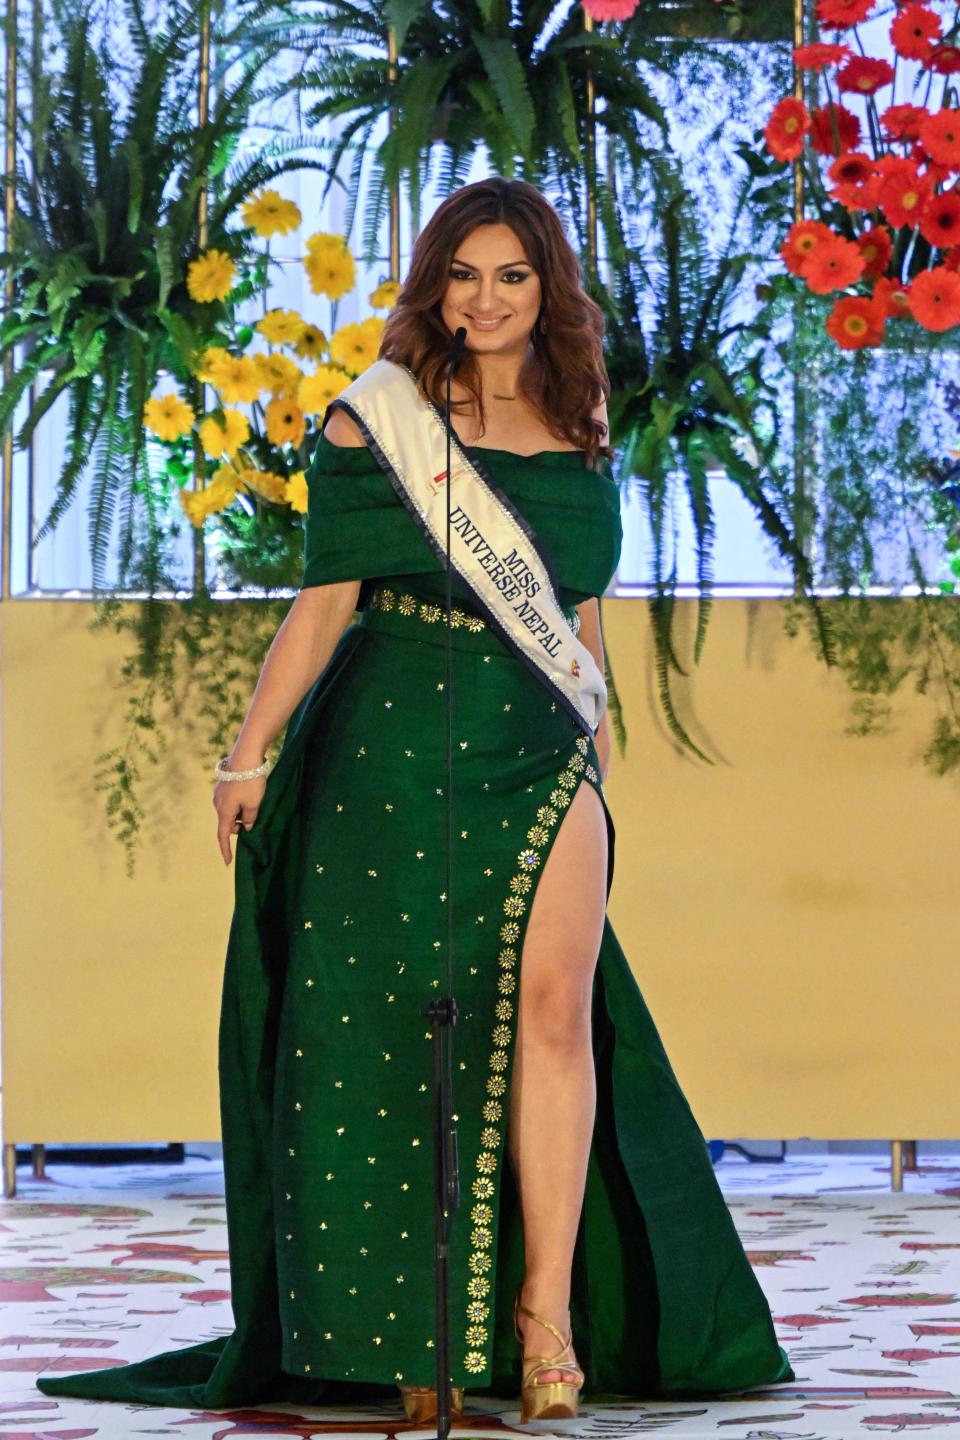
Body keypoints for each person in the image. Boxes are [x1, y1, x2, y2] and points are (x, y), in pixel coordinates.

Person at [36, 176, 794, 1421]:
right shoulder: (374, 423)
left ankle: (544, 1319)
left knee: (555, 1014)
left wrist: (598, 719)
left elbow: (583, 598)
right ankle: (414, 1343)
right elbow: (322, 602)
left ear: (546, 287)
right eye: (464, 274)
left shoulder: (580, 408)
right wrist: (248, 755)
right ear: (433, 287)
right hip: (386, 743)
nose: (486, 298)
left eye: (512, 275)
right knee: (392, 1046)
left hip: (541, 744)